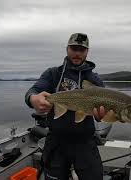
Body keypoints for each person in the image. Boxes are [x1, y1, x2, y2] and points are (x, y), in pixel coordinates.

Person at [25, 33, 106, 180]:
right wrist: (33, 99)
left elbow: (102, 115)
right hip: (56, 141)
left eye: (81, 50)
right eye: (73, 48)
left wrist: (101, 116)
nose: (77, 53)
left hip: (85, 142)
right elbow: (33, 91)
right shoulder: (53, 74)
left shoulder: (95, 80)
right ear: (67, 49)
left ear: (87, 51)